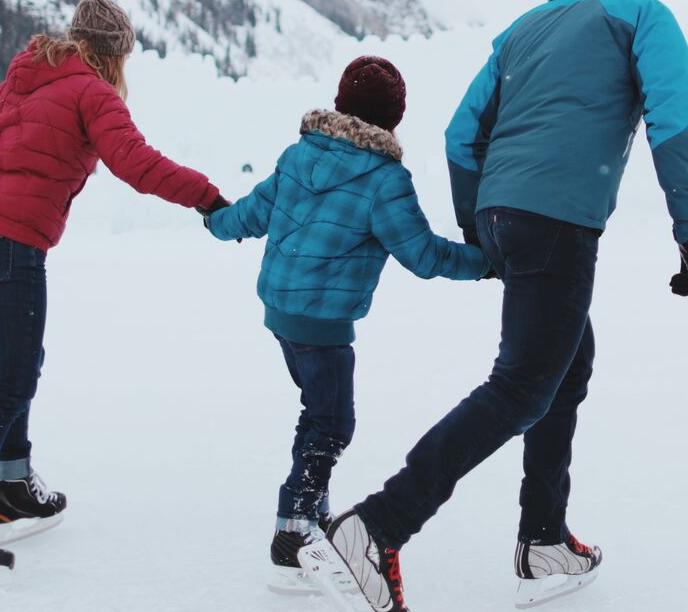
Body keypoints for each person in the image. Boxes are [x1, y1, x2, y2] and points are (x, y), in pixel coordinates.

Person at [300, 0, 688, 612]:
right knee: (522, 385)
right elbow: (673, 111)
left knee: (568, 362)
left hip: (504, 213)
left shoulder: (524, 28)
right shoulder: (643, 13)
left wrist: (481, 226)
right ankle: (372, 530)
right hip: (556, 218)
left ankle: (544, 539)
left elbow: (461, 137)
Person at [0, 0, 225, 591]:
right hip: (6, 243)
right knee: (10, 380)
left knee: (18, 367)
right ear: (114, 55)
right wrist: (208, 197)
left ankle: (12, 488)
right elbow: (136, 163)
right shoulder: (92, 92)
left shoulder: (24, 79)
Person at [201, 56, 491, 596]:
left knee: (317, 412)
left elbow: (250, 214)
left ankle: (312, 510)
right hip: (325, 323)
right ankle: (293, 531)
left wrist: (215, 219)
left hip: (281, 314)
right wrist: (486, 261)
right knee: (332, 423)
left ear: (339, 104)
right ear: (393, 119)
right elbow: (424, 256)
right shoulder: (384, 179)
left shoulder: (298, 155)